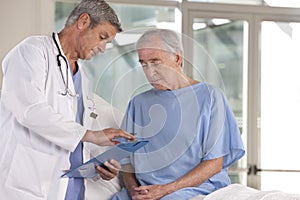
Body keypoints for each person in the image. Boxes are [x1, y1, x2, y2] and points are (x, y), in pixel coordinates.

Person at [0, 0, 135, 200]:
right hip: (30, 183)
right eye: (102, 37)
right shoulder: (33, 51)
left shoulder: (83, 78)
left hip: (72, 188)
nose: (102, 49)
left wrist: (98, 166)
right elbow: (30, 110)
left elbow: (72, 132)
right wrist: (92, 135)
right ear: (83, 21)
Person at [111, 28, 245, 200]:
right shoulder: (138, 103)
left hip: (194, 190)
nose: (150, 71)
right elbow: (126, 162)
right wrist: (134, 192)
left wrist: (165, 190)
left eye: (155, 61)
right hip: (146, 193)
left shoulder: (210, 97)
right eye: (143, 63)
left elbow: (215, 163)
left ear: (177, 58)